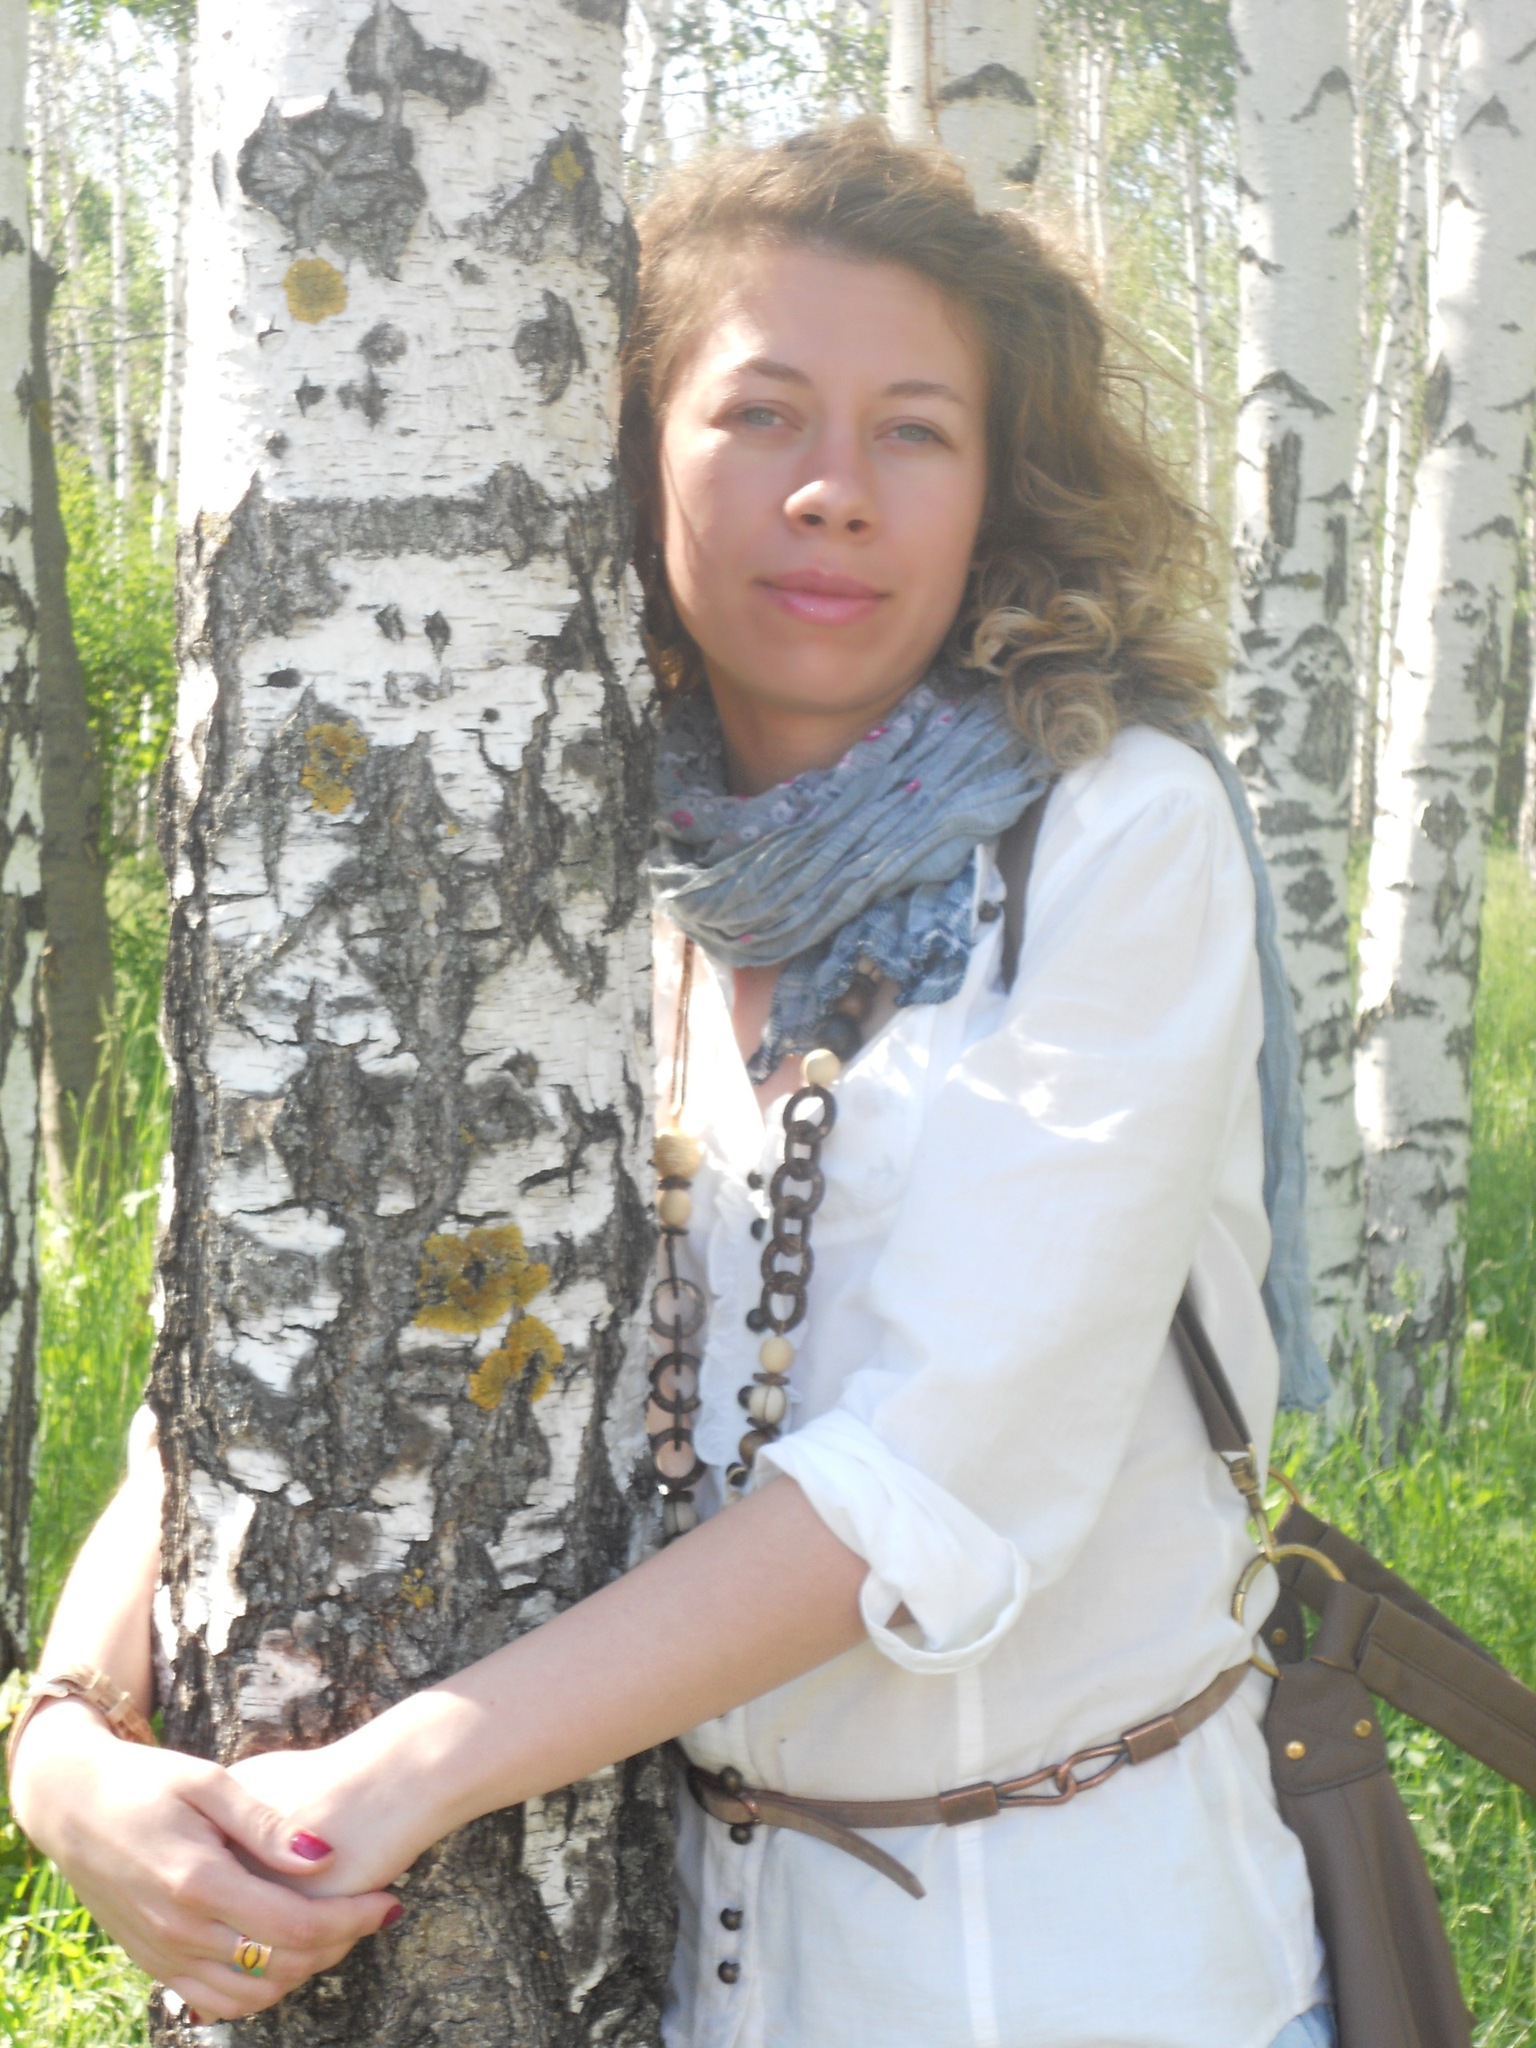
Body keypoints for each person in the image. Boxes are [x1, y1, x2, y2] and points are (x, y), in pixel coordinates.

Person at [8, 122, 1336, 2047]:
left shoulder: (1112, 832)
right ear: (632, 459)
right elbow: (293, 1313)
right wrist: (64, 1735)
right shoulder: (565, 837)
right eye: (759, 414)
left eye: (914, 432)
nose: (833, 493)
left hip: (1093, 1975)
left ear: (1002, 489)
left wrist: (370, 1795)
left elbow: (939, 1473)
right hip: (680, 1977)